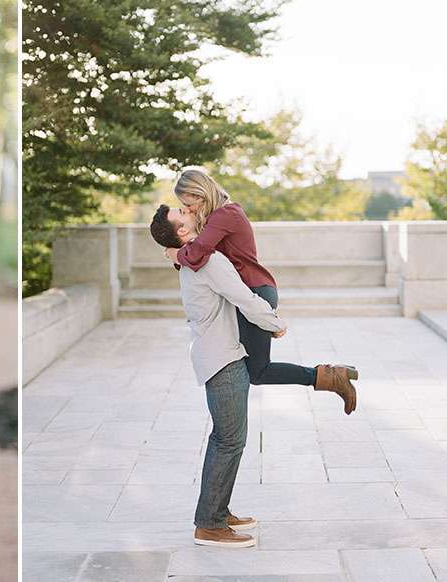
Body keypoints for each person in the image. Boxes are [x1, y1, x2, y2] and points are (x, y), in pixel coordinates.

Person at [162, 167, 359, 414]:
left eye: (188, 204)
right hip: (247, 293)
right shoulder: (218, 216)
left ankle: (332, 377)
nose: (189, 210)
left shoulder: (225, 215)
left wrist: (175, 253)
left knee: (259, 370)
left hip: (255, 291)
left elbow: (198, 252)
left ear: (201, 194)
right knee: (252, 368)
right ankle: (329, 376)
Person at [150, 205, 285, 548]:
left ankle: (218, 512)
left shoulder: (191, 259)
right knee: (228, 441)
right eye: (182, 214)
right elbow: (244, 298)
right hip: (222, 360)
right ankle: (209, 524)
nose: (190, 211)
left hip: (218, 355)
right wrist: (275, 323)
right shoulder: (206, 261)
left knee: (228, 439)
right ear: (183, 233)